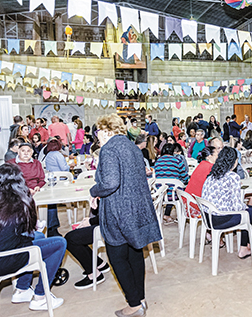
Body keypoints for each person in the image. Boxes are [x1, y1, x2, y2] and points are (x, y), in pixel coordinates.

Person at [89, 114, 161, 317]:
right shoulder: (132, 146)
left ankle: (134, 304)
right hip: (137, 208)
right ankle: (140, 297)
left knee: (117, 257)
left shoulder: (109, 149)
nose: (97, 137)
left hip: (118, 211)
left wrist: (94, 191)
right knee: (135, 252)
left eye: (98, 132)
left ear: (105, 130)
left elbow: (111, 182)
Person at [0, 163, 66, 311]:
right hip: (5, 259)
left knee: (39, 236)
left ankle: (22, 289)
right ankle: (41, 297)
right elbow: (27, 233)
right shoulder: (20, 202)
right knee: (60, 243)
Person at [201, 147, 252, 259]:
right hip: (222, 219)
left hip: (209, 218)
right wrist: (246, 207)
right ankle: (245, 247)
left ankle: (247, 245)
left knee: (250, 211)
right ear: (234, 162)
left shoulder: (211, 175)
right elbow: (237, 207)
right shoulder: (233, 177)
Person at [64, 201, 111, 289]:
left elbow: (110, 214)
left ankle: (94, 275)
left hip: (110, 227)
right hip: (107, 223)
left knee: (70, 239)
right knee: (76, 236)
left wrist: (90, 221)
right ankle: (99, 264)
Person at [154, 143, 189, 224]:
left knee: (169, 187)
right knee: (176, 188)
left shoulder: (158, 161)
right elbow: (185, 177)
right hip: (174, 194)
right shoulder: (178, 161)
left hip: (161, 193)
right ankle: (181, 215)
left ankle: (166, 214)